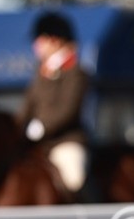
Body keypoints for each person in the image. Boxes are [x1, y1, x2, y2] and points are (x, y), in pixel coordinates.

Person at [17, 11, 89, 196]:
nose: (35, 46)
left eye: (39, 40)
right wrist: (16, 128)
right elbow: (28, 106)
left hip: (65, 141)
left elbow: (68, 109)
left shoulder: (75, 72)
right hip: (36, 144)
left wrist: (42, 127)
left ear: (54, 40)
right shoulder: (41, 72)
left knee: (74, 178)